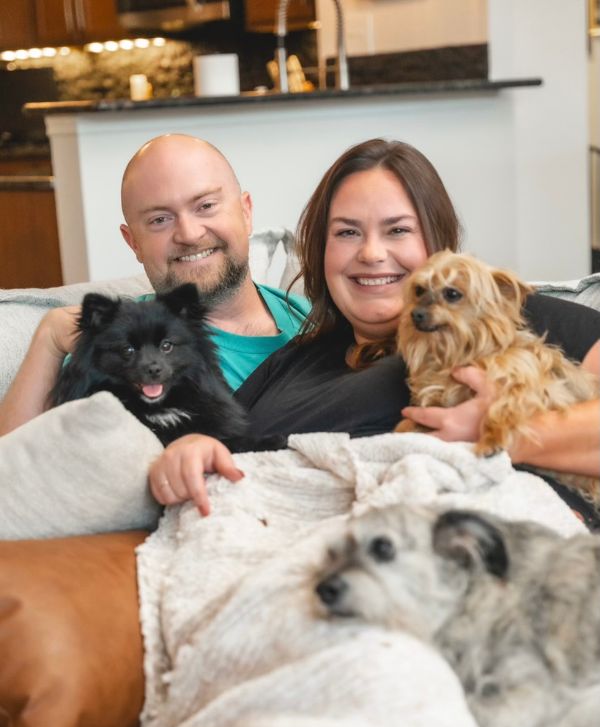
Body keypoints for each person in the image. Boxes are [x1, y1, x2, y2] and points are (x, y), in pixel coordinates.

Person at [150, 138, 600, 524]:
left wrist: (494, 434)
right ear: (320, 250)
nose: (371, 253)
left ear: (434, 241)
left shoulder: (503, 316)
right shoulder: (292, 360)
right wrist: (189, 449)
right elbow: (215, 440)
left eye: (397, 230)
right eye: (347, 233)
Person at [0, 134, 309, 436]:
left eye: (205, 206)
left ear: (246, 212)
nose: (188, 233)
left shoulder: (312, 316)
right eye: (160, 219)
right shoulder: (115, 351)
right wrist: (49, 335)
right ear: (133, 242)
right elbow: (17, 469)